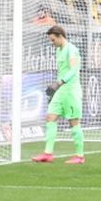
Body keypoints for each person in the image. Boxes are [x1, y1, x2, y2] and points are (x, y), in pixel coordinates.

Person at [32, 24, 85, 164]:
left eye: (53, 40)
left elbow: (74, 70)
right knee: (50, 117)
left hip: (71, 91)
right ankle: (48, 154)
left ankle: (80, 156)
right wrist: (57, 87)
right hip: (61, 91)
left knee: (73, 122)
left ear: (60, 37)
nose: (52, 43)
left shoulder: (71, 50)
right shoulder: (59, 51)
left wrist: (59, 83)